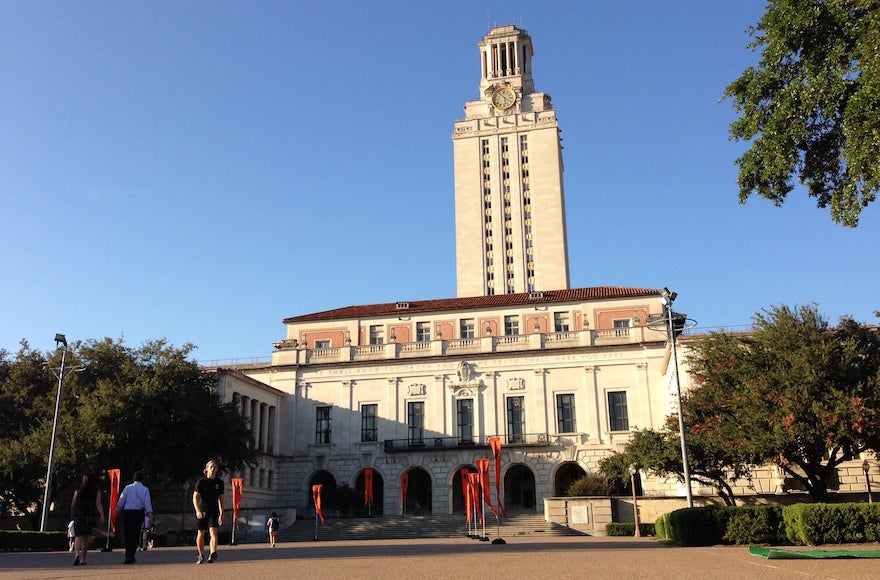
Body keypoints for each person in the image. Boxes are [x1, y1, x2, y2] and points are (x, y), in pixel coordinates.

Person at [116, 471, 153, 565]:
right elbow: (147, 503)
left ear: (133, 478)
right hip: (138, 513)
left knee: (128, 534)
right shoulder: (145, 489)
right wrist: (149, 514)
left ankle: (128, 554)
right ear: (142, 479)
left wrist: (118, 509)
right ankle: (132, 555)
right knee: (136, 534)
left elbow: (122, 499)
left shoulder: (127, 488)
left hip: (128, 512)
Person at [193, 459, 224, 564]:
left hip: (213, 511)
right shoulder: (201, 482)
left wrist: (221, 514)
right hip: (202, 510)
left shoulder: (219, 483)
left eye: (215, 467)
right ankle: (201, 555)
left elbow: (221, 500)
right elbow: (195, 498)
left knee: (213, 532)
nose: (213, 468)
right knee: (201, 533)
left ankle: (213, 552)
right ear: (207, 469)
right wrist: (198, 511)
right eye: (211, 466)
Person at [70, 473, 105, 566]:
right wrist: (102, 515)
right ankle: (83, 559)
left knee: (78, 536)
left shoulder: (78, 491)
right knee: (86, 538)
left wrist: (73, 513)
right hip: (90, 516)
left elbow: (73, 504)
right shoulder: (96, 491)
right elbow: (98, 503)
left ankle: (77, 554)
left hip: (79, 515)